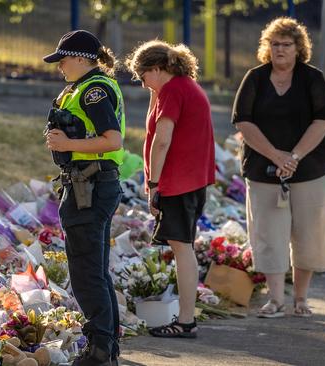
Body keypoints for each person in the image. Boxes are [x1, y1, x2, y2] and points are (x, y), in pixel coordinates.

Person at [231, 17, 325, 318]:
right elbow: (243, 121)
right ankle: (275, 300)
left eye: (286, 45)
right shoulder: (255, 77)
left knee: (308, 235)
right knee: (269, 235)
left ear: (298, 47)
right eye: (274, 44)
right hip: (264, 169)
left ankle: (301, 299)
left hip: (310, 169)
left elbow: (323, 120)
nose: (279, 49)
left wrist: (295, 157)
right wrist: (277, 156)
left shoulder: (312, 79)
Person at [43, 30, 125, 366]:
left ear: (80, 57)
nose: (60, 65)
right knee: (97, 271)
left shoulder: (92, 90)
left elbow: (113, 140)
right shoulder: (81, 88)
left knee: (86, 272)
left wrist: (67, 144)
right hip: (90, 185)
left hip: (89, 188)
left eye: (63, 58)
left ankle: (99, 350)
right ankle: (107, 346)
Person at [125, 40, 215, 338]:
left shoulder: (175, 90)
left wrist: (152, 184)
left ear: (157, 69)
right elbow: (153, 127)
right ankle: (185, 316)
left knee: (182, 249)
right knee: (183, 247)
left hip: (179, 181)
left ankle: (186, 320)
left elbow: (162, 139)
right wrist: (154, 91)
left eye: (143, 76)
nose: (141, 84)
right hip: (190, 179)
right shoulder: (179, 87)